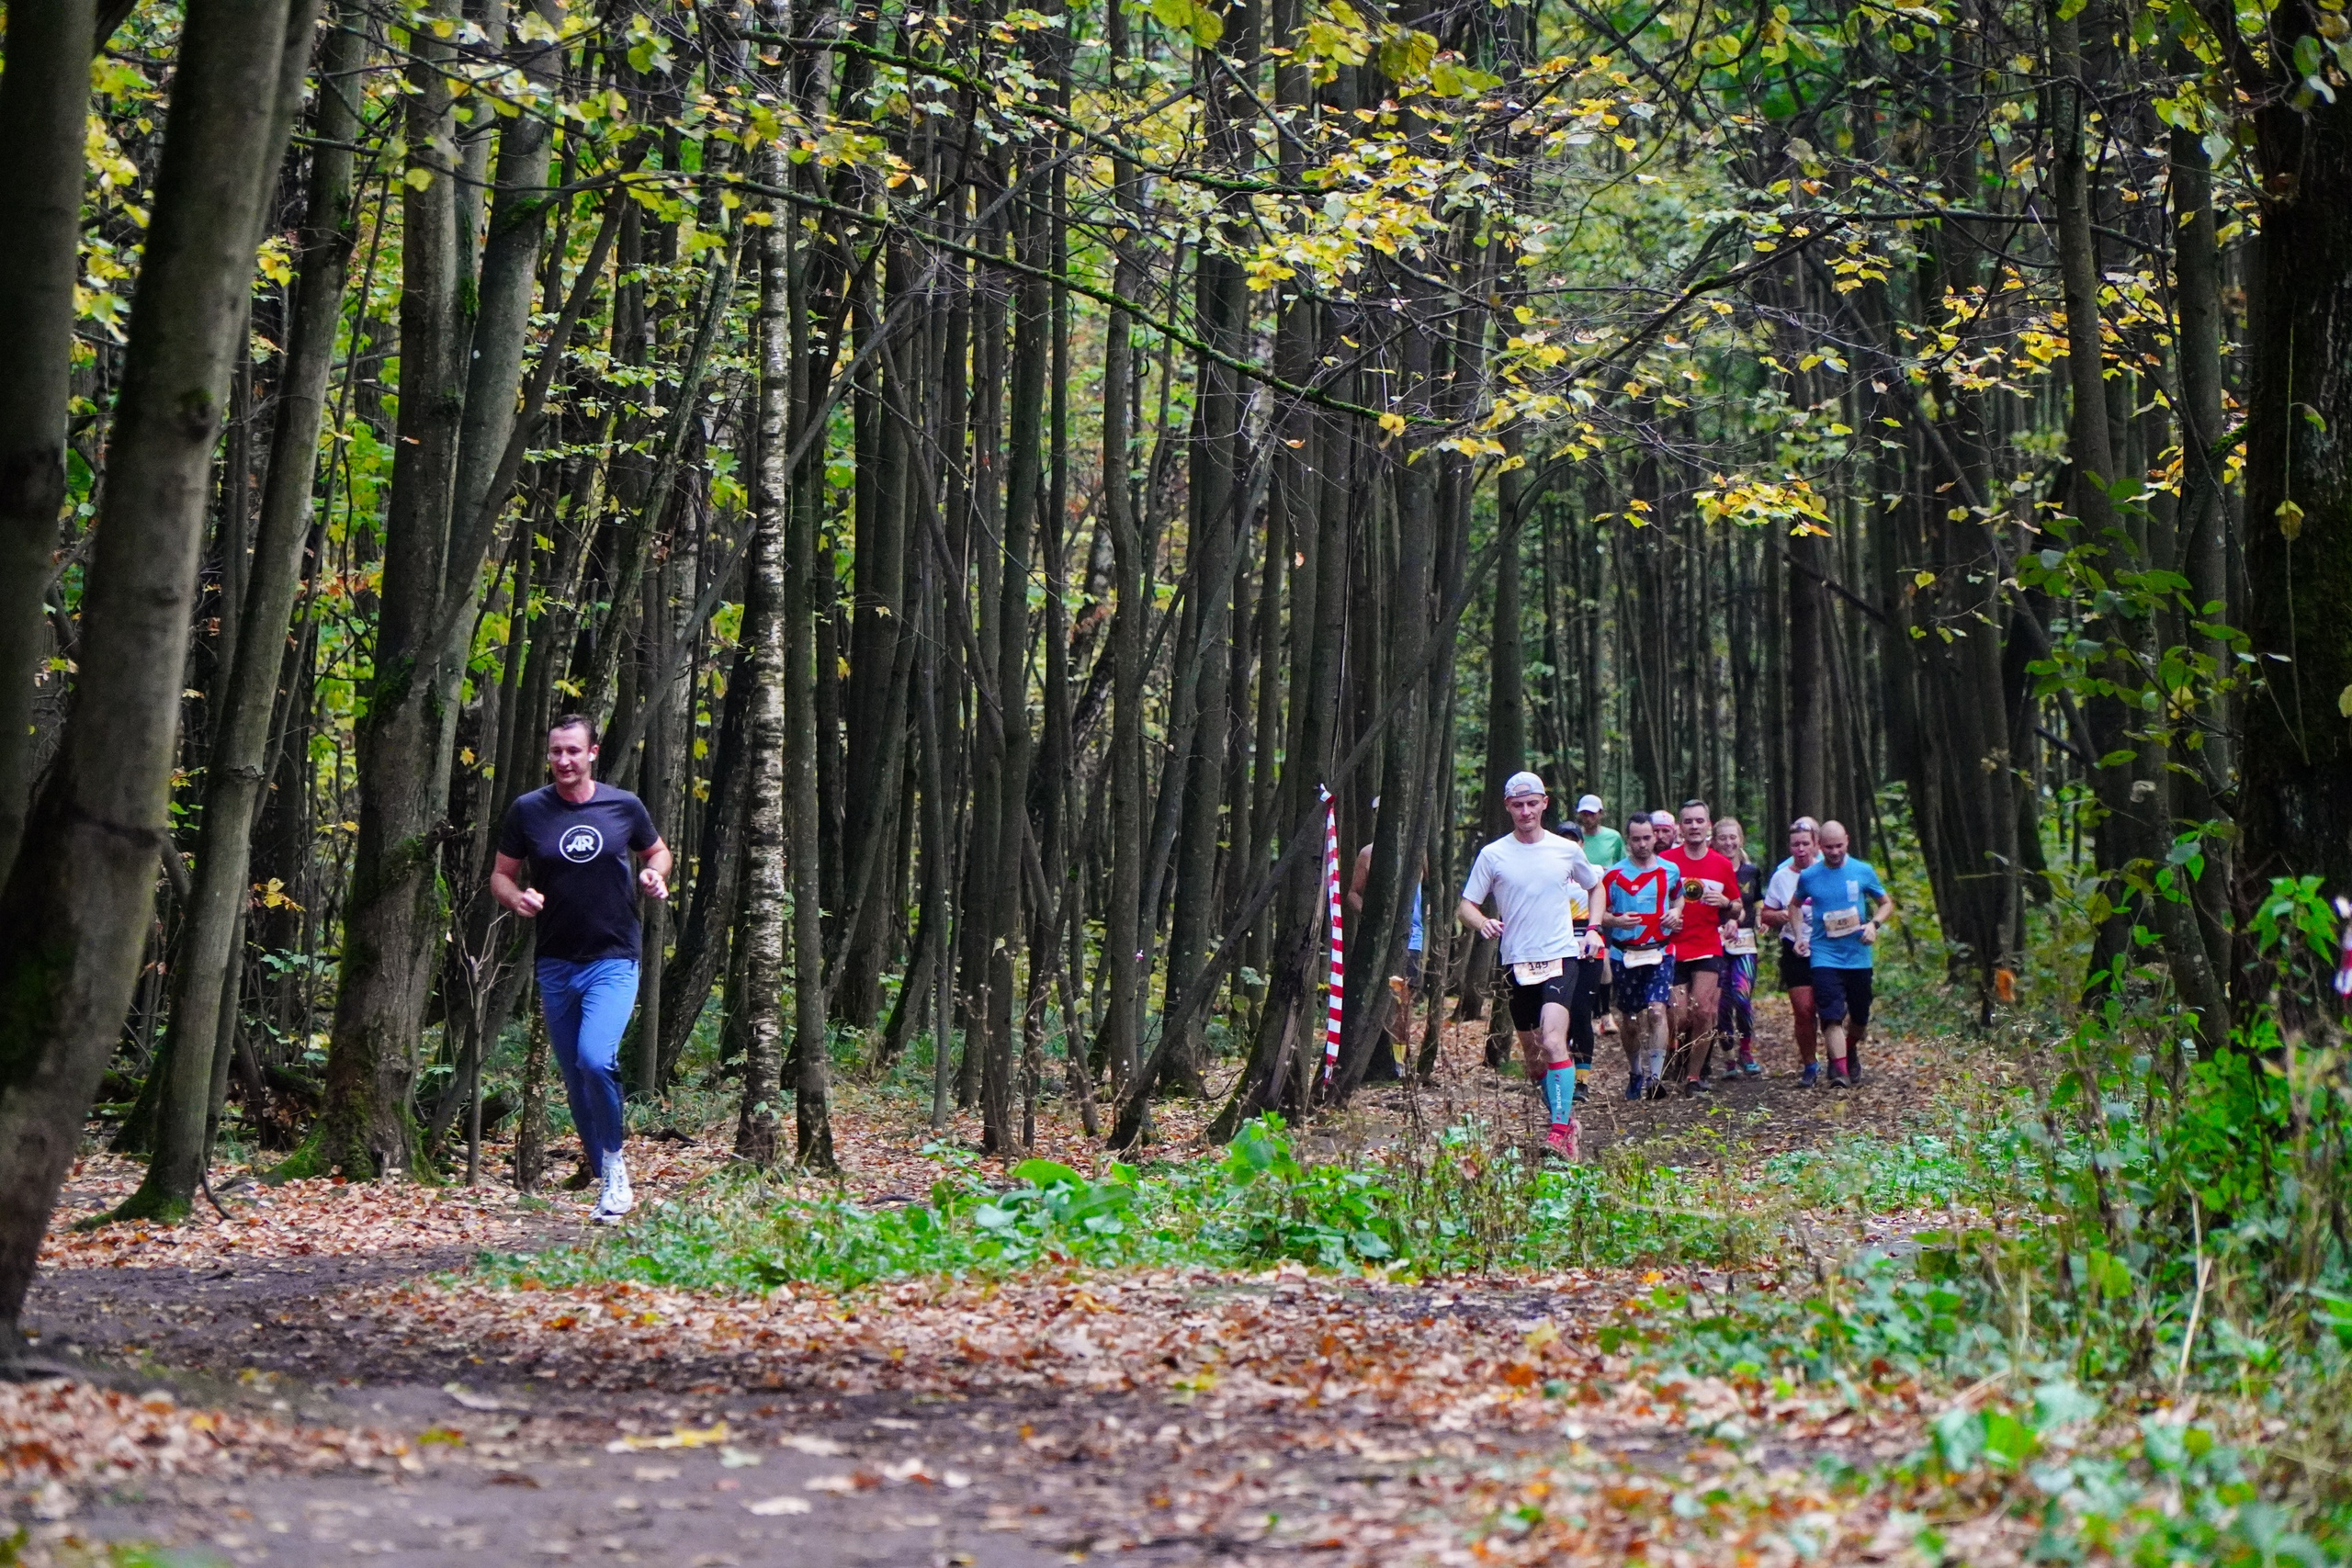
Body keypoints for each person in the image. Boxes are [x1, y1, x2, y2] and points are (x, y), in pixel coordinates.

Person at [492, 715, 673, 1223]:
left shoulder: (623, 805)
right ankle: (602, 1170)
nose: (564, 760)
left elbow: (658, 852)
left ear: (593, 752)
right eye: (556, 752)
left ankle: (615, 1168)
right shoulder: (528, 810)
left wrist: (654, 875)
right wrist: (516, 898)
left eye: (573, 750)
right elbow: (501, 875)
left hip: (613, 956)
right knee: (574, 1078)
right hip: (555, 961)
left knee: (595, 1060)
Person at [1459, 772, 1603, 1157]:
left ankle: (1558, 1132)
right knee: (1536, 1059)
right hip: (1517, 961)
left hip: (1560, 955)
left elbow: (1596, 886)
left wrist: (1594, 929)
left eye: (1532, 803)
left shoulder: (1565, 850)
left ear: (1544, 804)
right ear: (1508, 807)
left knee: (1554, 1041)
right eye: (1518, 805)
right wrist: (1482, 922)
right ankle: (1567, 1122)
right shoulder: (1493, 854)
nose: (1526, 811)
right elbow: (1466, 905)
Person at [1793, 820, 1895, 1090]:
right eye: (1828, 847)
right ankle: (1840, 1072)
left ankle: (1848, 1050)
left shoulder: (1863, 871)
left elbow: (1886, 903)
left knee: (1860, 1017)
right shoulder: (1809, 876)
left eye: (1839, 846)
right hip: (1824, 955)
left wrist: (1873, 925)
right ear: (1819, 846)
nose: (1835, 852)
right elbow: (1794, 905)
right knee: (1831, 1014)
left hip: (1858, 955)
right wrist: (1799, 936)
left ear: (1847, 841)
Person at [1660, 799, 1738, 1095]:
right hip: (1673, 946)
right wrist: (1666, 917)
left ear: (1708, 825)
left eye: (1699, 821)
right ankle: (1674, 1053)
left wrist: (1727, 904)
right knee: (1679, 1016)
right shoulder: (1666, 861)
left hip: (1707, 945)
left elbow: (1738, 907)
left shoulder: (1721, 864)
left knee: (1704, 1011)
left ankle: (1694, 1077)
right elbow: (1652, 899)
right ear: (1680, 827)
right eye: (1688, 821)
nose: (1694, 826)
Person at [1601, 814, 1681, 1100]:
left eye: (1647, 838)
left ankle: (1656, 1078)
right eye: (1636, 839)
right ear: (1628, 841)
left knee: (1657, 1011)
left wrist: (1676, 912)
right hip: (1625, 954)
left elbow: (1679, 896)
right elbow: (1599, 912)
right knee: (1631, 1020)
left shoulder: (1670, 870)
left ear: (1655, 837)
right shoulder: (1613, 876)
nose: (1642, 844)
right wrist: (1616, 921)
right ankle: (1636, 1071)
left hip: (1660, 951)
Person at [1348, 835, 1425, 1082]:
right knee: (1379, 999)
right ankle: (1371, 1059)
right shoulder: (1368, 853)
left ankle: (1401, 1061)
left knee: (1402, 1002)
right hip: (1378, 939)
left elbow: (1431, 889)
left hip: (1410, 939)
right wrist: (1372, 917)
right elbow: (1353, 893)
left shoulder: (1417, 849)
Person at [1759, 818, 1821, 1083]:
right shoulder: (1782, 877)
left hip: (1827, 946)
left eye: (1806, 844)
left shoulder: (1827, 871)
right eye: (1796, 844)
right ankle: (1810, 1064)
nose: (1801, 849)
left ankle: (1841, 1059)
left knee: (1831, 1009)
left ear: (1816, 845)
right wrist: (1782, 916)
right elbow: (1766, 914)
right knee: (1804, 1010)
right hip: (1794, 948)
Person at [1713, 816, 1764, 1077]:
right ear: (1714, 841)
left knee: (1742, 998)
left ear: (1740, 839)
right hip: (1716, 942)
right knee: (1721, 1003)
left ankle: (1746, 1049)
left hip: (1744, 943)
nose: (1728, 843)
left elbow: (1756, 899)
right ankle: (1728, 1056)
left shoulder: (1751, 872)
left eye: (1733, 837)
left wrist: (1761, 917)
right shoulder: (1710, 870)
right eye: (1723, 838)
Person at [1575, 795, 1625, 869]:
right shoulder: (1574, 838)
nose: (1588, 819)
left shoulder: (1614, 837)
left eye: (1592, 814)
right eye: (1585, 814)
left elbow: (1623, 864)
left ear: (1601, 813)